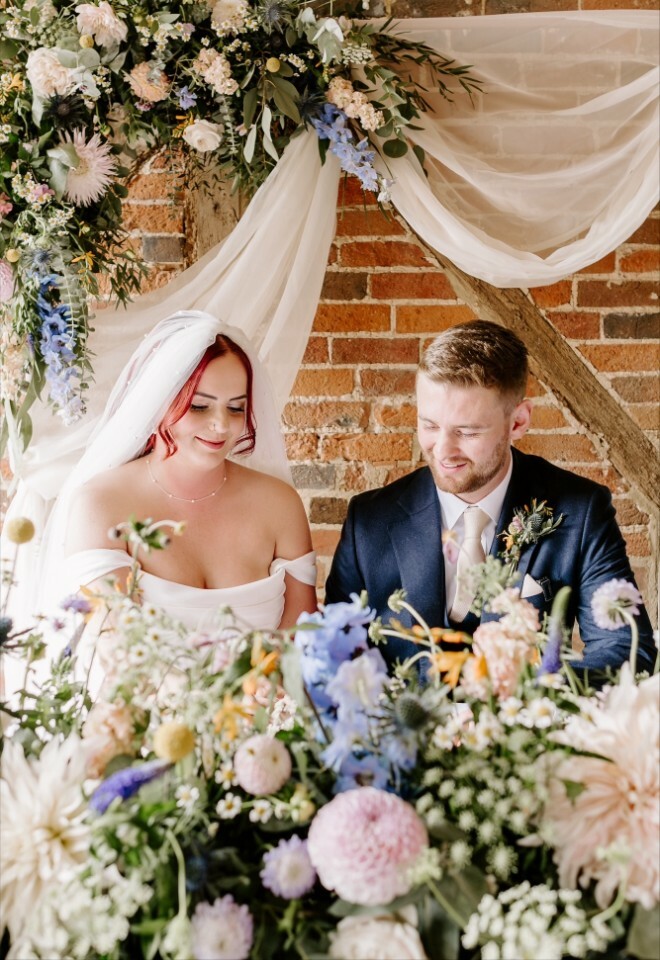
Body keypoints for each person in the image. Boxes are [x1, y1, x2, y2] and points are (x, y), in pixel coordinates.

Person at [325, 320, 655, 673]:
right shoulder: (369, 520)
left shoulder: (581, 510)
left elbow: (623, 648)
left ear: (518, 422)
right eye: (430, 425)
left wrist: (531, 696)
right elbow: (336, 651)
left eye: (467, 432)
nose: (443, 450)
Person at [38, 310, 318, 637]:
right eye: (200, 406)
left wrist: (268, 684)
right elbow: (113, 642)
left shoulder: (279, 504)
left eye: (236, 407)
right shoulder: (101, 502)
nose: (221, 425)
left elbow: (303, 630)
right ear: (157, 402)